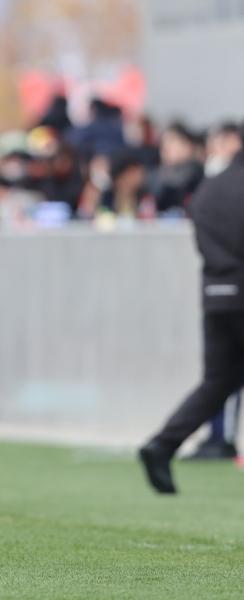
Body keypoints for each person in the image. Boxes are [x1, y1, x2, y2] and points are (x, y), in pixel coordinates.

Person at [139, 122, 244, 494]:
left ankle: (163, 444)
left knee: (217, 382)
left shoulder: (209, 187)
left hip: (216, 293)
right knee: (219, 382)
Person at [186, 122, 243, 460]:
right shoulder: (217, 183)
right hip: (231, 290)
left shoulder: (211, 186)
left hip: (218, 290)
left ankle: (172, 442)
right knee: (224, 375)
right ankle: (217, 437)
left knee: (220, 375)